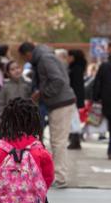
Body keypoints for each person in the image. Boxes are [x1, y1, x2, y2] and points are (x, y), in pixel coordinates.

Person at [18, 42, 77, 188]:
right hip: (60, 101)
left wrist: (42, 93)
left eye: (24, 58)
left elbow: (58, 81)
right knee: (58, 141)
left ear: (28, 54)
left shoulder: (45, 59)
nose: (26, 61)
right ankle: (58, 175)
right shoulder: (47, 57)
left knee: (58, 142)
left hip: (60, 103)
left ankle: (60, 177)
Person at [67, 49, 86, 150]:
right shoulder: (78, 68)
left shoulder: (75, 69)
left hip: (73, 97)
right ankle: (75, 140)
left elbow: (76, 85)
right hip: (75, 97)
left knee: (73, 119)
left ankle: (75, 140)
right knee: (74, 118)